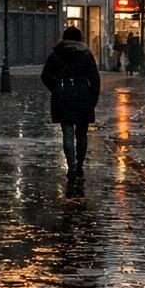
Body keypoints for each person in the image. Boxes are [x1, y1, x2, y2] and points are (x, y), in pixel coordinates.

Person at [41, 25, 101, 179]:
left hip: (63, 96)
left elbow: (45, 76)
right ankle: (80, 165)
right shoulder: (86, 54)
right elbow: (94, 79)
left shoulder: (56, 54)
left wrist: (56, 88)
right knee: (81, 134)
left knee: (67, 131)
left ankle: (71, 166)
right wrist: (93, 99)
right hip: (83, 95)